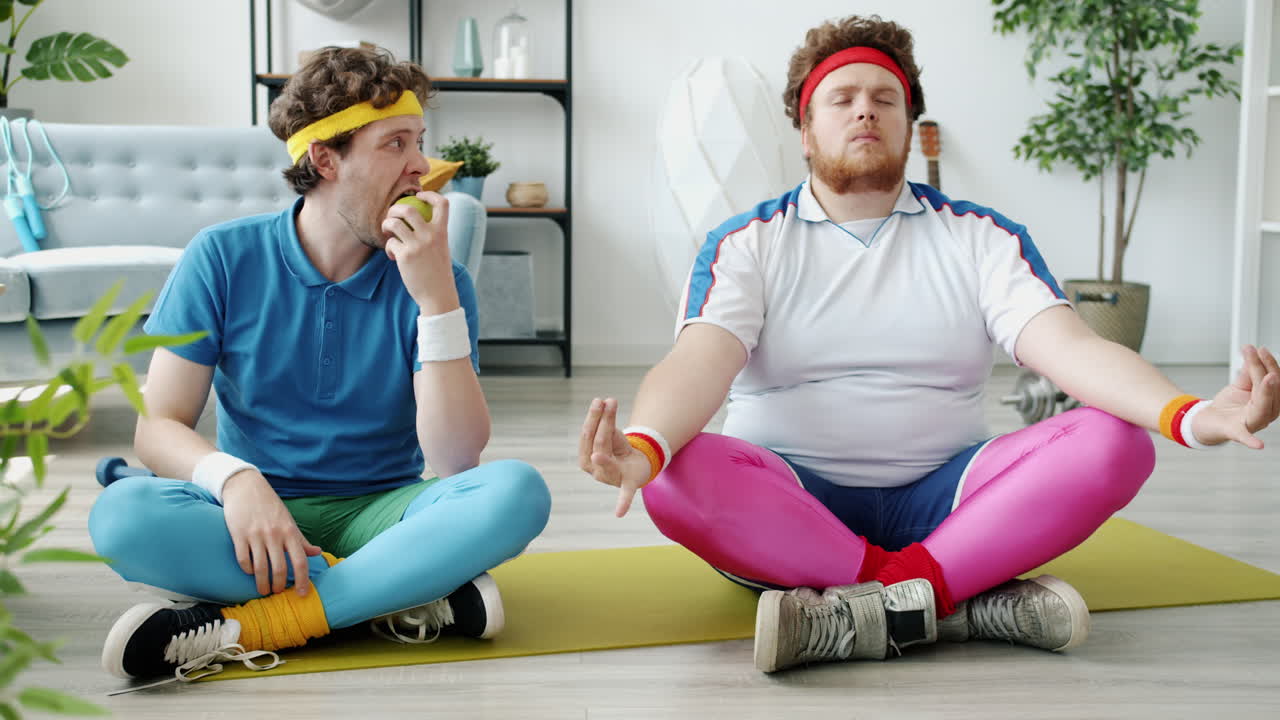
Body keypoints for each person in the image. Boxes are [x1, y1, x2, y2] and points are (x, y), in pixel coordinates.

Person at [578, 15, 1279, 673]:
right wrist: (643, 445)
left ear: (910, 122)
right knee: (672, 472)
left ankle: (859, 608)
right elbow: (700, 360)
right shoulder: (747, 242)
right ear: (804, 126)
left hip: (949, 500)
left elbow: (1069, 348)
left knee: (1119, 442)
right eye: (842, 98)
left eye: (886, 98)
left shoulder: (979, 235)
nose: (865, 110)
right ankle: (951, 599)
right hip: (794, 503)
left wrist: (1189, 414)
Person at [89, 46, 551, 686]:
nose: (422, 165)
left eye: (419, 141)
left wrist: (436, 298)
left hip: (383, 514)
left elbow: (455, 461)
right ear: (325, 159)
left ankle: (258, 625)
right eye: (395, 144)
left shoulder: (441, 280)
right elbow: (156, 426)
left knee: (517, 491)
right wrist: (237, 482)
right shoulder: (222, 257)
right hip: (250, 521)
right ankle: (401, 593)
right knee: (121, 516)